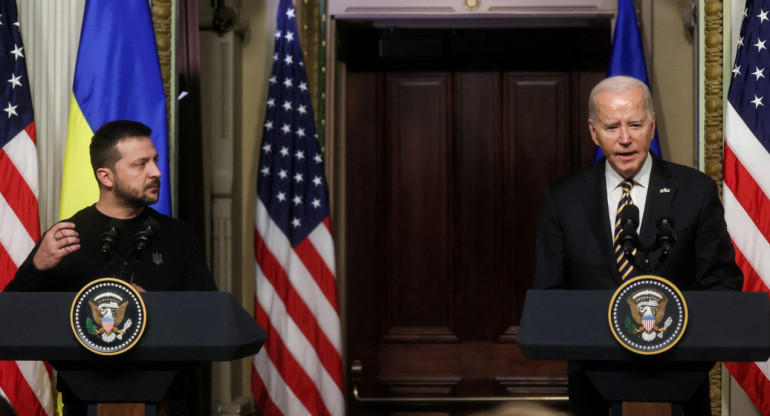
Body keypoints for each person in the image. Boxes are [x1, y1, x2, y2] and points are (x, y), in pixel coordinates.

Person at [532, 76, 743, 415]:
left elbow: (723, 284)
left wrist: (686, 346)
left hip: (679, 383)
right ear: (593, 132)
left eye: (635, 124)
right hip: (595, 386)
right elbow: (550, 295)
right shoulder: (564, 197)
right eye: (612, 127)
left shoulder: (695, 191)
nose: (625, 139)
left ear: (652, 125)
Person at [5, 120, 217, 414]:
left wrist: (153, 307)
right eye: (141, 164)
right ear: (106, 176)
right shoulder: (67, 236)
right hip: (83, 399)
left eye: (155, 161)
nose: (156, 172)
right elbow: (10, 319)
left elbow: (209, 317)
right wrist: (37, 267)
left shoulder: (177, 236)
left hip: (167, 400)